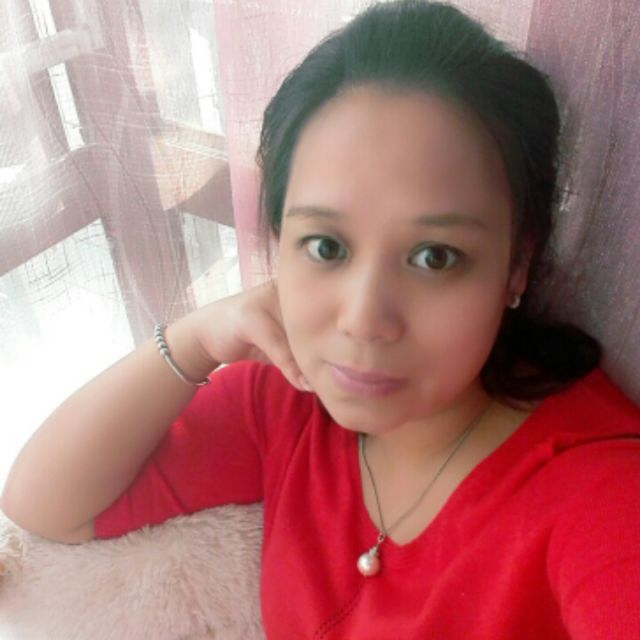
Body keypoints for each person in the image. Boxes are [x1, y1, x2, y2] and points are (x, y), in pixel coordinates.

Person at [2, 1, 639, 637]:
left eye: (436, 257)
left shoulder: (598, 491)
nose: (364, 321)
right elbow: (45, 503)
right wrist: (196, 338)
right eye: (326, 247)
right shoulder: (289, 400)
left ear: (516, 267)